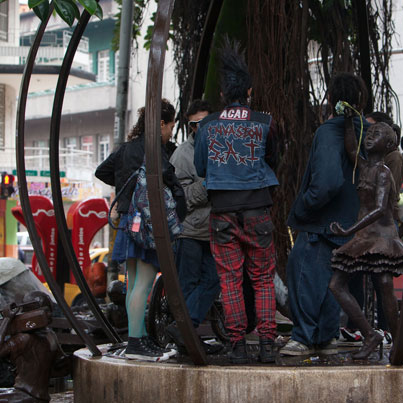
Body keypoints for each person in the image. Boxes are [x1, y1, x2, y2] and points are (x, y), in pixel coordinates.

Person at [194, 40, 279, 364]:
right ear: (249, 91)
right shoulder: (264, 123)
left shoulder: (206, 125)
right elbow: (273, 158)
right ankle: (268, 345)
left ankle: (238, 346)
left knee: (229, 280)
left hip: (222, 213)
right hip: (258, 208)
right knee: (262, 278)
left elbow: (202, 168)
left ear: (222, 94)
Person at [282, 72, 369, 357]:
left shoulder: (329, 131)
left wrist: (305, 207)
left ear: (330, 99)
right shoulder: (368, 131)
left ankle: (304, 338)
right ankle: (327, 337)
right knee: (336, 282)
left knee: (305, 274)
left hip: (324, 223)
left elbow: (327, 183)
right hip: (355, 223)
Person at [95, 102, 184, 361]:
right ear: (160, 124)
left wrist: (124, 185)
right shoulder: (155, 151)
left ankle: (140, 336)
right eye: (170, 126)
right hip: (146, 224)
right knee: (142, 286)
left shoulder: (125, 149)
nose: (170, 132)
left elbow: (102, 171)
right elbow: (172, 184)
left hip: (126, 222)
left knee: (133, 283)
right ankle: (135, 343)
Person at [328, 118, 403, 360]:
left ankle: (397, 341)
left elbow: (381, 209)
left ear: (389, 145)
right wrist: (347, 119)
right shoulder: (364, 166)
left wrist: (349, 230)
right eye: (370, 133)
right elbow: (352, 148)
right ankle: (370, 333)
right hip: (365, 236)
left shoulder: (383, 173)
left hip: (381, 237)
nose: (371, 136)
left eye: (378, 134)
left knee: (384, 286)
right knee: (336, 285)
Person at [166, 99, 223, 354]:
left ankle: (183, 330)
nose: (201, 128)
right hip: (189, 231)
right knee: (186, 285)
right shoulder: (182, 154)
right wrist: (210, 184)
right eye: (195, 124)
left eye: (206, 122)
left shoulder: (223, 146)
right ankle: (186, 337)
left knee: (213, 281)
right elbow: (180, 197)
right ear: (189, 126)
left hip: (217, 229)